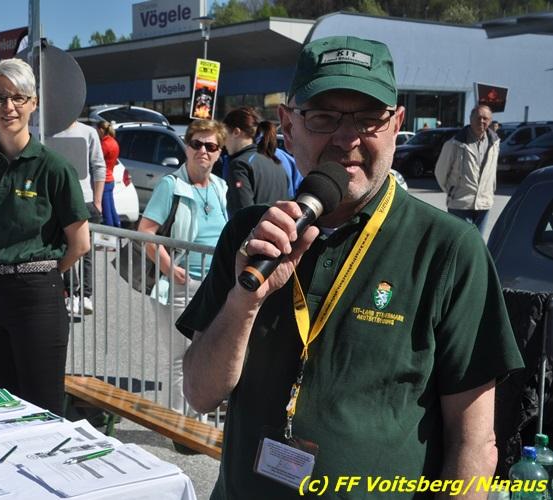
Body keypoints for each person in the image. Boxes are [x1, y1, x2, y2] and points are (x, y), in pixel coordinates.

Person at [177, 36, 523, 499]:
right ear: (288, 124)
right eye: (323, 117)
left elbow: (474, 445)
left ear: (396, 124)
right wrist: (245, 302)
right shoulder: (250, 234)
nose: (347, 138)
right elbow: (200, 393)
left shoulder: (450, 249)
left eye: (369, 118)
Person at [0, 58, 90, 414]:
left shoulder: (54, 168)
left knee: (41, 406)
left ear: (33, 103)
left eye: (18, 97)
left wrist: (42, 275)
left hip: (36, 295)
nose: (9, 107)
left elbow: (80, 243)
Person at [138, 119, 228, 413]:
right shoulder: (172, 185)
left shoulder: (220, 187)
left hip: (213, 285)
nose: (203, 151)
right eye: (197, 144)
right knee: (182, 358)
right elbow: (146, 233)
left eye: (211, 146)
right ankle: (176, 423)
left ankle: (195, 420)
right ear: (187, 147)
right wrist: (169, 268)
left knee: (206, 356)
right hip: (180, 285)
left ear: (219, 152)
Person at [53, 120, 105, 316]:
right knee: (66, 249)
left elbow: (99, 166)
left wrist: (97, 201)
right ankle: (72, 294)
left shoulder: (88, 132)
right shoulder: (49, 131)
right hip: (59, 201)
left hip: (85, 200)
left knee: (86, 250)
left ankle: (86, 295)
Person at [434, 104, 500, 235]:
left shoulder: (494, 143)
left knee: (477, 242)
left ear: (490, 121)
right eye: (478, 117)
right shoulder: (454, 144)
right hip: (460, 204)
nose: (482, 121)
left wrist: (490, 192)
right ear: (470, 119)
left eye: (485, 118)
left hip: (484, 204)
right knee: (461, 241)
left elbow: (492, 172)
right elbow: (440, 172)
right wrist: (452, 192)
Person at [223, 107, 288, 218]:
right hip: (278, 225)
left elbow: (243, 215)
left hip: (254, 228)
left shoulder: (239, 165)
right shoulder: (275, 161)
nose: (222, 141)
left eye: (224, 134)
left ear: (236, 132)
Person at [95, 120, 121, 228]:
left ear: (101, 130)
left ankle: (110, 234)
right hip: (110, 179)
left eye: (97, 130)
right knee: (112, 209)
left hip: (104, 180)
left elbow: (97, 160)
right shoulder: (114, 142)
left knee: (106, 213)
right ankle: (118, 229)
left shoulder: (104, 144)